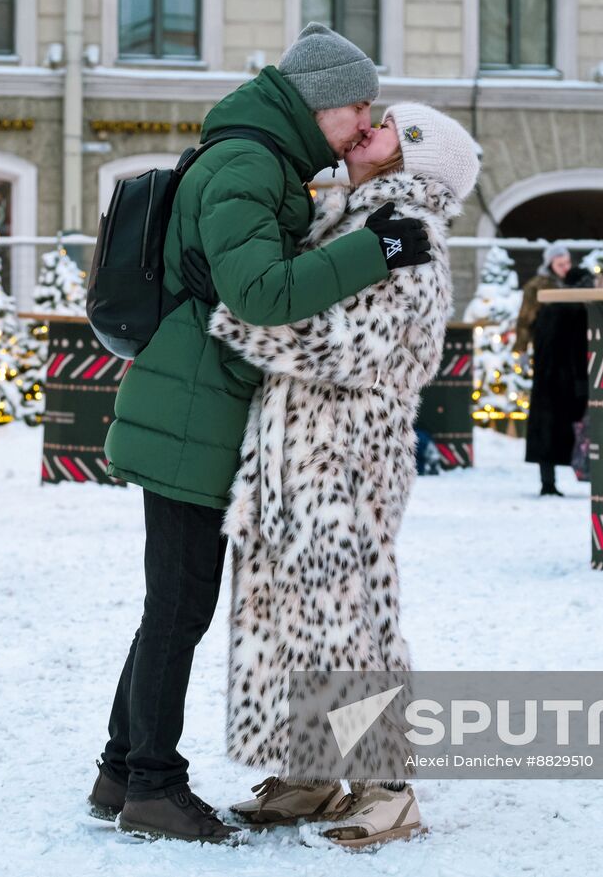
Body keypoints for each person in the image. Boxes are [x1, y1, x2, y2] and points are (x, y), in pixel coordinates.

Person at [90, 24, 435, 844]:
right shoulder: (248, 164)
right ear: (321, 103)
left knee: (170, 607)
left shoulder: (261, 157)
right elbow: (263, 295)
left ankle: (118, 769)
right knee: (178, 608)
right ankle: (151, 786)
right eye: (358, 105)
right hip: (193, 415)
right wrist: (374, 249)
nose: (364, 121)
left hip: (195, 407)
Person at [206, 103, 480, 848]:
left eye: (392, 128)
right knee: (289, 608)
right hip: (292, 451)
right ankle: (314, 767)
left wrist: (245, 321)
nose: (371, 127)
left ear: (413, 159)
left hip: (348, 451)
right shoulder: (345, 221)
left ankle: (387, 786)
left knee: (348, 618)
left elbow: (355, 347)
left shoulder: (407, 234)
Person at [521, 251, 594, 496]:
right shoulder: (566, 305)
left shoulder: (554, 306)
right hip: (566, 376)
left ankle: (548, 480)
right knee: (562, 428)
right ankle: (555, 479)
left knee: (549, 428)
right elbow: (524, 319)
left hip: (549, 375)